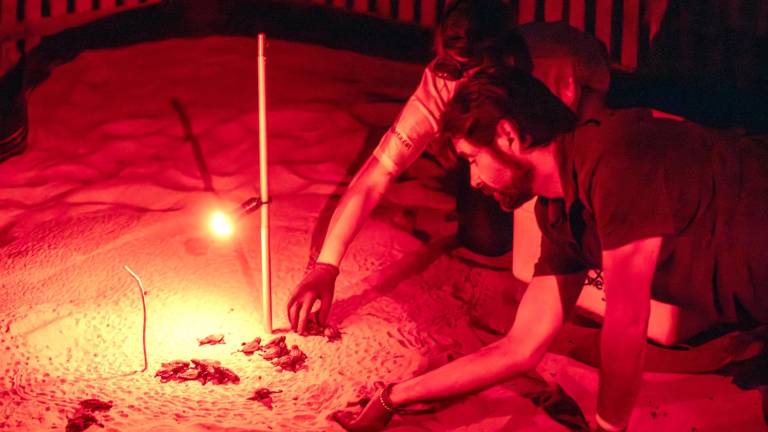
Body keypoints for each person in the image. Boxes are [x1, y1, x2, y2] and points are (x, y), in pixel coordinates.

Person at [333, 68, 768, 432]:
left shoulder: (616, 158)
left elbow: (627, 321)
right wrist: (392, 400)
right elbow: (519, 348)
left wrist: (607, 428)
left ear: (507, 135)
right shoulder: (560, 216)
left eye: (471, 159)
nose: (473, 180)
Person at [286, 0, 612, 334]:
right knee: (485, 237)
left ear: (504, 60)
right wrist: (327, 266)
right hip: (499, 156)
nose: (456, 81)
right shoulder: (443, 80)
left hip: (556, 147)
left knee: (572, 221)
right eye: (449, 68)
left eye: (470, 71)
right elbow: (378, 172)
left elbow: (593, 125)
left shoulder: (558, 64)